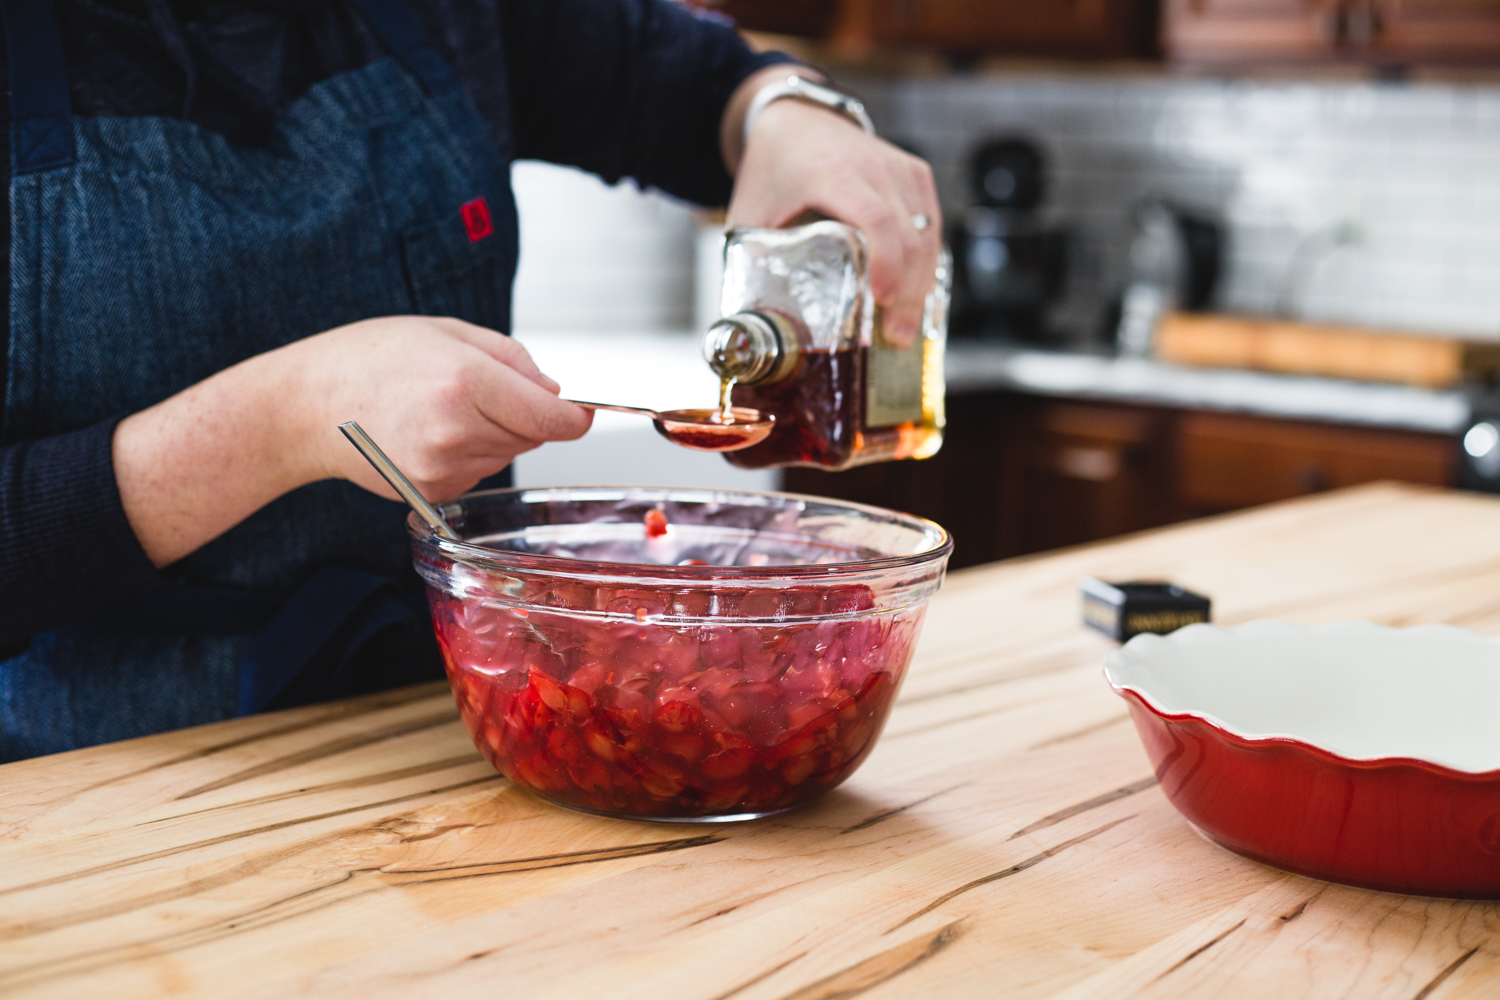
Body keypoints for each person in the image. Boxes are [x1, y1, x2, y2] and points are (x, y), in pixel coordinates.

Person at [0, 0, 941, 761]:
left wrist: (785, 114)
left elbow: (695, 82)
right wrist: (284, 421)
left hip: (470, 737)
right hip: (93, 784)